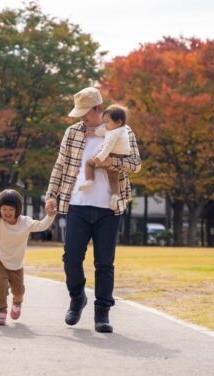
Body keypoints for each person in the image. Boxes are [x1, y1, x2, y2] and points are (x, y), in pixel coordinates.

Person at [45, 87, 142, 333]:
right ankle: (77, 297)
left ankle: (102, 313)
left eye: (85, 114)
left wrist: (112, 162)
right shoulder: (72, 133)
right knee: (71, 259)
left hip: (109, 208)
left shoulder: (122, 131)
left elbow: (135, 164)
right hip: (77, 203)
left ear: (99, 109)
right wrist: (51, 194)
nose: (82, 119)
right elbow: (60, 164)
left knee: (105, 263)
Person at [0, 189, 56, 325]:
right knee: (1, 287)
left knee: (18, 291)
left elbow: (42, 225)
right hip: (0, 260)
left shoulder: (25, 222)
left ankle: (17, 303)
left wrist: (49, 216)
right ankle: (1, 311)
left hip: (17, 264)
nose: (7, 212)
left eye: (11, 209)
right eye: (4, 209)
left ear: (17, 209)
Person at [78, 105, 132, 210]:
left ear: (119, 122)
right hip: (119, 157)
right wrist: (93, 133)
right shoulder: (122, 130)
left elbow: (107, 148)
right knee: (113, 178)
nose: (105, 124)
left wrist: (98, 158)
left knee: (89, 163)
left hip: (110, 155)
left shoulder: (113, 135)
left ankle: (90, 180)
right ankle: (115, 196)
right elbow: (104, 132)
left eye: (107, 122)